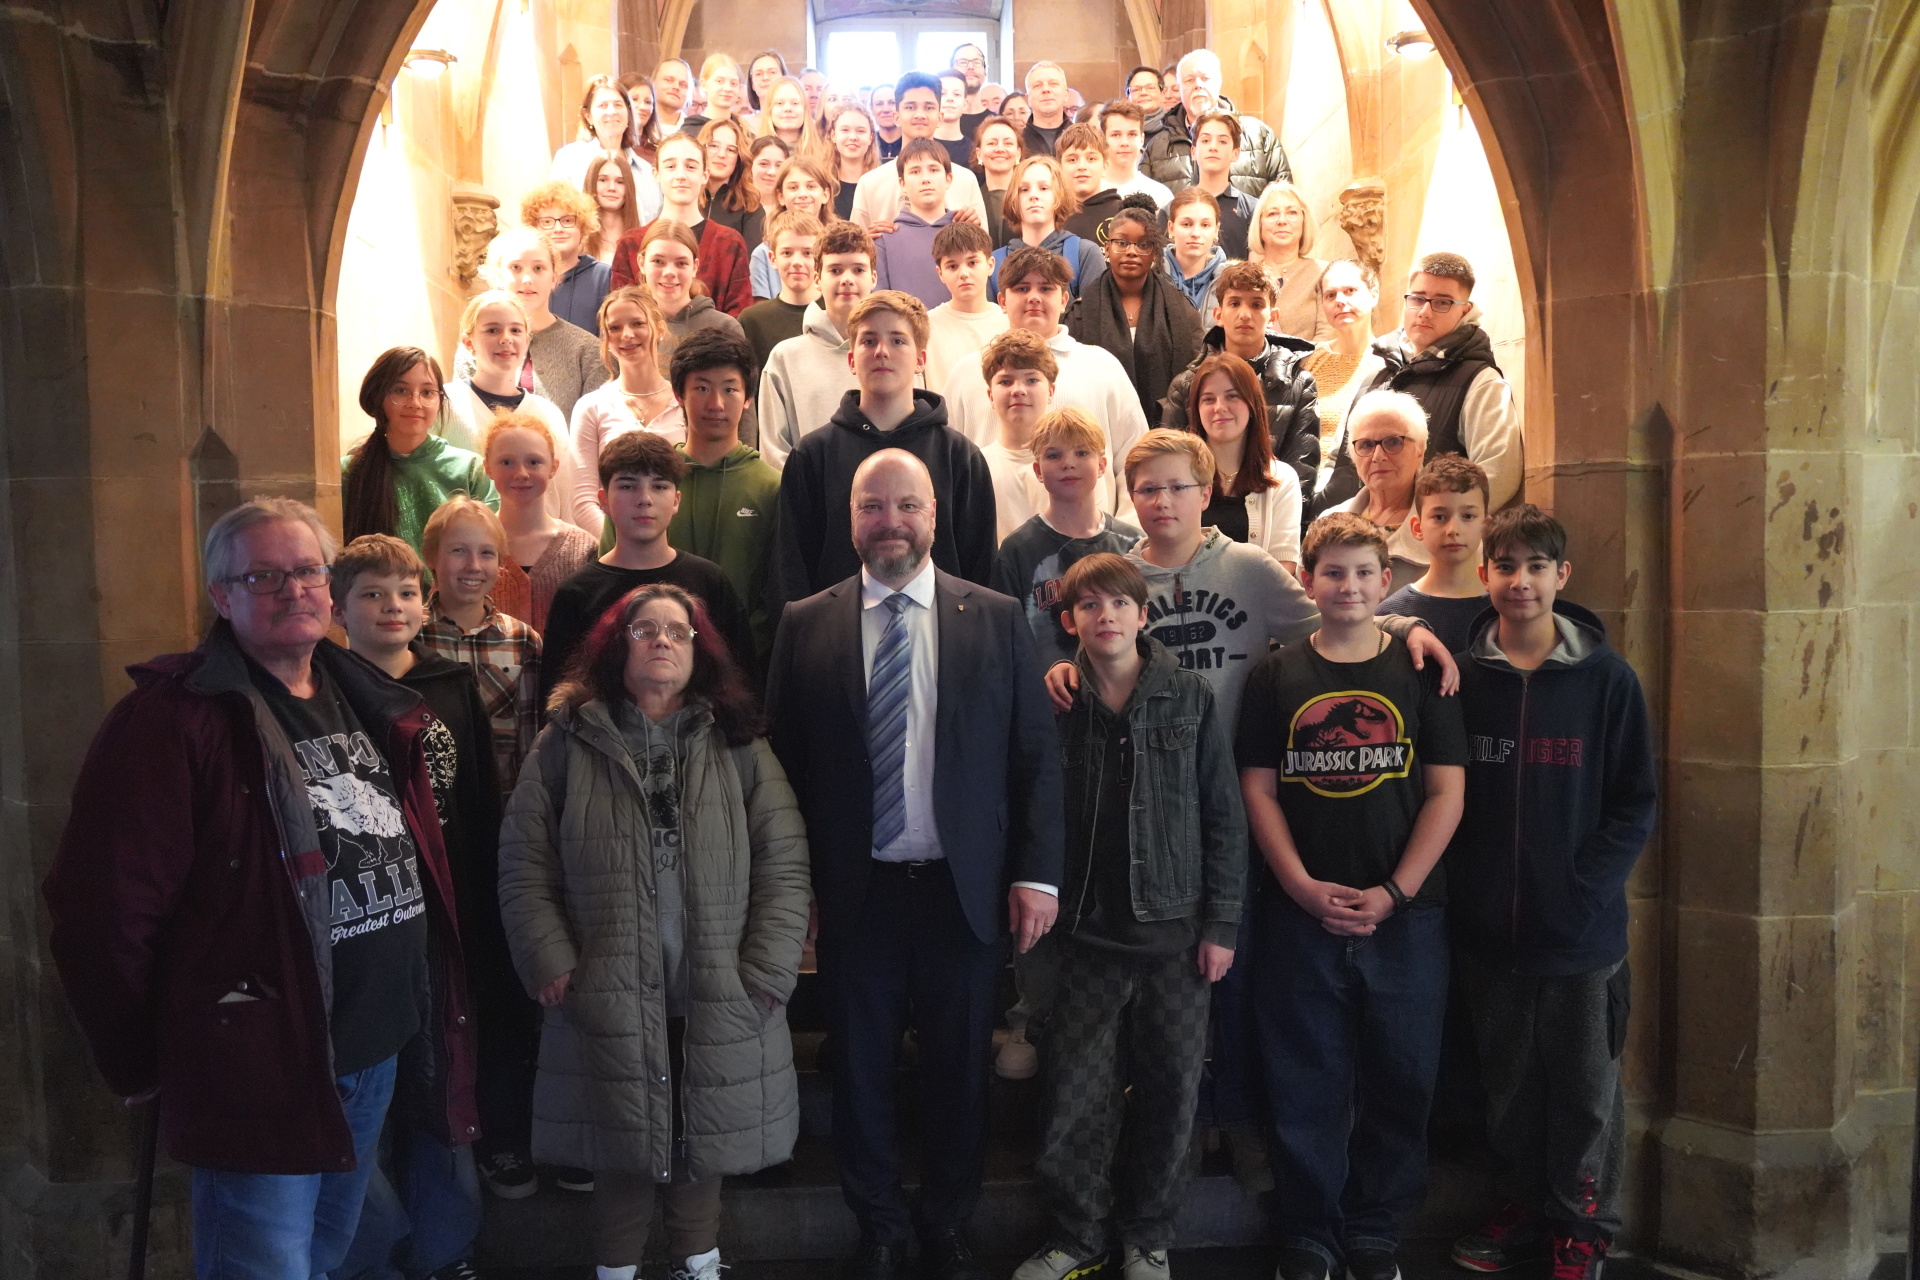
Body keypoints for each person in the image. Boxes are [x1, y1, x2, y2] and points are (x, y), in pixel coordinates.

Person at [43, 497, 477, 1279]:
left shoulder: (362, 694)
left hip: (371, 1042)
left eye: (308, 570)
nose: (295, 590)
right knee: (265, 1264)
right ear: (223, 597)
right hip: (262, 1058)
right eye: (264, 575)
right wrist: (139, 1056)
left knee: (325, 1254)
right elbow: (102, 910)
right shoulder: (176, 721)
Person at [765, 447, 1062, 1280]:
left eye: (906, 506)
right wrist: (797, 893)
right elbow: (781, 769)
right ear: (850, 520)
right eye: (872, 507)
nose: (889, 522)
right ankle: (881, 1226)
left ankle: (946, 1224)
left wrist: (1036, 877)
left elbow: (1034, 758)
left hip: (962, 893)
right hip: (857, 893)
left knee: (959, 1071)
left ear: (935, 516)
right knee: (859, 1069)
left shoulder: (998, 617)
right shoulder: (805, 622)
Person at [499, 581, 810, 1280]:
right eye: (646, 630)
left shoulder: (739, 744)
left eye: (678, 631)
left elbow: (785, 863)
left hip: (717, 984)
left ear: (700, 651)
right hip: (606, 985)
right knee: (622, 1142)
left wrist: (766, 970)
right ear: (618, 645)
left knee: (702, 1135)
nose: (663, 642)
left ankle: (698, 1262)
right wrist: (550, 958)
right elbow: (524, 861)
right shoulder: (568, 740)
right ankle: (616, 1270)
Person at [1236, 512, 1469, 1280]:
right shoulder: (1276, 675)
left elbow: (1447, 793)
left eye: (1365, 572)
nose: (1349, 586)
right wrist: (1298, 884)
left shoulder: (1419, 669)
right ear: (1308, 581)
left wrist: (1397, 891)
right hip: (1301, 914)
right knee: (1306, 1078)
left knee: (1402, 1076)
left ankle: (1375, 1229)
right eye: (1333, 572)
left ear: (1387, 581)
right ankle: (1309, 1231)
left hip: (1408, 915)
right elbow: (1258, 789)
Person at [1012, 552, 1245, 1280]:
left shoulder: (1189, 696)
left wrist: (1222, 926)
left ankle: (1148, 1234)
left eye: (1119, 603)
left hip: (1176, 938)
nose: (1105, 615)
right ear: (1069, 619)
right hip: (1084, 936)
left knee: (1173, 1095)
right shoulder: (1055, 701)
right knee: (1073, 1099)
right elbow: (1029, 808)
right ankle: (1078, 1235)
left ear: (1143, 616)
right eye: (1090, 605)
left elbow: (1223, 818)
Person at [1444, 506, 1657, 1280]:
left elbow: (1636, 801)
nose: (1521, 582)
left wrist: (1582, 889)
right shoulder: (1461, 676)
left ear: (1561, 578)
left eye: (1537, 567)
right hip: (1488, 928)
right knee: (1506, 1086)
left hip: (1579, 933)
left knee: (1583, 1089)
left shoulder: (1606, 681)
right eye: (1506, 566)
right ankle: (1522, 1207)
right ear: (1485, 575)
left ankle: (1582, 1224)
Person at [327, 534, 501, 1269]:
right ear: (338, 609)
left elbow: (480, 802)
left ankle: (447, 1244)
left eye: (404, 592)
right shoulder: (324, 693)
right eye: (371, 593)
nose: (391, 606)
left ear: (424, 600)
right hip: (364, 917)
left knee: (444, 1081)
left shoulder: (450, 686)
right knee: (367, 1092)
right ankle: (379, 1250)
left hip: (447, 909)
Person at [769, 291, 995, 611]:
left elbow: (980, 573)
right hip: (838, 644)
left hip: (942, 645)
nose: (882, 352)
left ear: (920, 359)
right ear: (851, 359)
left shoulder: (960, 457)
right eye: (869, 341)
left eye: (898, 340)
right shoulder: (812, 456)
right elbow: (790, 571)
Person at [541, 428, 754, 704]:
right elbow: (554, 699)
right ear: (603, 500)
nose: (644, 499)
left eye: (659, 486)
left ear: (676, 500)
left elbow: (743, 685)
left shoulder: (710, 582)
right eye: (627, 486)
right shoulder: (577, 592)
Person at [1317, 251, 1522, 514]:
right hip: (1356, 540)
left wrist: (1427, 529)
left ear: (1465, 310)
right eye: (1417, 299)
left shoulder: (1480, 382)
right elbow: (1337, 460)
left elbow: (1497, 474)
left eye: (1442, 302)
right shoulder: (1376, 376)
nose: (1425, 312)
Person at [945, 247, 1147, 499]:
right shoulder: (967, 372)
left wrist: (1126, 532)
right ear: (1002, 301)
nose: (1033, 297)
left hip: (1094, 533)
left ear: (1063, 300)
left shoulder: (1103, 366)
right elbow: (950, 466)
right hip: (994, 530)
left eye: (1045, 288)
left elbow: (1137, 459)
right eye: (1021, 288)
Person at [666, 327, 782, 668]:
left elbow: (776, 591)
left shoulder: (770, 487)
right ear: (679, 394)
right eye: (701, 388)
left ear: (748, 398)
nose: (715, 404)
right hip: (655, 661)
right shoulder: (652, 481)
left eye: (729, 389)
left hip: (746, 666)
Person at [989, 411, 1141, 663]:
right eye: (1054, 455)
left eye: (1081, 453)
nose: (1068, 463)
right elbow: (1003, 639)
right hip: (1047, 694)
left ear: (1102, 465)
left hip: (1124, 692)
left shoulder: (1132, 543)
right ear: (1038, 470)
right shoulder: (1017, 550)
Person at [419, 495, 545, 795]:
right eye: (458, 551)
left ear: (501, 563)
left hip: (503, 802)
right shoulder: (410, 637)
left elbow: (531, 739)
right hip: (429, 805)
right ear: (431, 557)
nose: (473, 565)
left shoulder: (523, 640)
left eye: (487, 553)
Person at [1161, 260, 1320, 491]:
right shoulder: (1186, 384)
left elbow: (1302, 473)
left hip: (1271, 511)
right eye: (1234, 303)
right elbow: (1170, 464)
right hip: (1201, 512)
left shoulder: (1299, 385)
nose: (1245, 314)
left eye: (1257, 305)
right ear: (1218, 314)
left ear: (1272, 316)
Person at [444, 290, 577, 532]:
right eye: (492, 330)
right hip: (466, 548)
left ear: (527, 340)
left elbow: (564, 498)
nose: (506, 338)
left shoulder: (549, 414)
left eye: (515, 330)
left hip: (540, 551)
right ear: (469, 343)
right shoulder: (445, 404)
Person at [1065, 196, 1204, 425]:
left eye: (1143, 244)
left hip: (1167, 430)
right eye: (1122, 243)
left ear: (1155, 253)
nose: (1131, 251)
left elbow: (1195, 375)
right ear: (1107, 248)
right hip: (1098, 428)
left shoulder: (1182, 311)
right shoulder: (1080, 313)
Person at [342, 346, 497, 550]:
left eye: (427, 392)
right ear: (378, 397)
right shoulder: (350, 471)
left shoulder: (471, 469)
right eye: (401, 390)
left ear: (440, 400)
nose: (415, 402)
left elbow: (492, 546)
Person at [569, 284, 689, 538]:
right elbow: (583, 500)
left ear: (659, 329)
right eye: (615, 327)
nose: (626, 334)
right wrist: (623, 547)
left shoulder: (685, 402)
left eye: (637, 324)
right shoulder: (591, 406)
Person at [758, 220, 878, 469]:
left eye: (858, 270)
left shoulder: (892, 354)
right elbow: (773, 452)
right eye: (835, 270)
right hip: (809, 501)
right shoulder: (785, 358)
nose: (846, 279)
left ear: (873, 277)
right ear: (817, 279)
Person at [1181, 353, 1305, 573]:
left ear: (1252, 405)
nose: (1219, 407)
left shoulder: (1282, 479)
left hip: (1257, 602)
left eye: (1232, 396)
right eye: (1208, 399)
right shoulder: (1180, 475)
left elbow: (1283, 567)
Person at [476, 226, 611, 423]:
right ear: (498, 275)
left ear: (554, 277)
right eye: (516, 268)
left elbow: (595, 429)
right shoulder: (475, 344)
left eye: (538, 268)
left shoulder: (587, 349)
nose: (528, 279)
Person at [610, 134, 754, 317]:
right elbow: (620, 315)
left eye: (691, 167)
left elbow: (738, 316)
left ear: (704, 175)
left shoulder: (729, 243)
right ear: (656, 174)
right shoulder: (631, 243)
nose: (681, 176)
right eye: (670, 166)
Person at [486, 411, 598, 633]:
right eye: (506, 462)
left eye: (534, 462)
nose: (521, 473)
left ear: (553, 467)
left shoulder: (584, 549)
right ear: (488, 467)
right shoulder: (470, 544)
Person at [1315, 389, 1436, 587]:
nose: (1378, 456)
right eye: (1366, 445)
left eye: (1393, 442)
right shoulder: (1327, 523)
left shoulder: (1449, 527)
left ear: (1420, 449)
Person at [1377, 455, 1491, 653]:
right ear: (1417, 527)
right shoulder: (1392, 614)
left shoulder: (1505, 609)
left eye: (1468, 516)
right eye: (1439, 517)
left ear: (1486, 525)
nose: (1453, 529)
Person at [1141, 48, 1290, 196]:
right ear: (1180, 88)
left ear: (1219, 82)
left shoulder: (1258, 135)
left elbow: (1283, 198)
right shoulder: (1157, 147)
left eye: (1205, 78)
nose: (1198, 85)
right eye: (1189, 80)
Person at [852, 73, 990, 231]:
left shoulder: (965, 180)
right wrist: (867, 241)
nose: (920, 115)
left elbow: (983, 246)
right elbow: (854, 248)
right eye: (910, 107)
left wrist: (974, 227)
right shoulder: (870, 183)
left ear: (939, 117)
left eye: (929, 107)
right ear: (896, 117)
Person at [633, 222, 754, 403]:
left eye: (681, 263)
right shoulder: (627, 326)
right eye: (658, 261)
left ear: (695, 267)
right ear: (641, 263)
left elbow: (741, 404)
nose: (669, 272)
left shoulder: (724, 327)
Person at [1302, 259, 1383, 490]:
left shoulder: (1389, 361)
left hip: (1363, 488)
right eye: (1330, 295)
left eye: (1350, 291)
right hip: (1308, 485)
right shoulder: (1310, 359)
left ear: (1373, 293)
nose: (1340, 301)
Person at [975, 332, 1061, 540]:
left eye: (1031, 380)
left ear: (1051, 392)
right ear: (990, 396)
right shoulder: (976, 467)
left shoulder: (1074, 462)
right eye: (1005, 382)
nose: (1018, 390)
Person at [989, 156, 1104, 299]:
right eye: (1024, 189)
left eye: (1044, 188)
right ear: (1013, 199)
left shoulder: (1085, 254)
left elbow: (1095, 317)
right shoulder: (995, 262)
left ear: (1059, 196)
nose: (1033, 195)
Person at [551, 74, 661, 223]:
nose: (612, 111)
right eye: (603, 105)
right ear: (588, 116)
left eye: (618, 105)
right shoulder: (569, 159)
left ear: (629, 114)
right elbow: (556, 214)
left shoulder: (647, 171)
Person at [925, 220, 1010, 391]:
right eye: (952, 266)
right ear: (940, 273)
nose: (964, 274)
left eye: (972, 263)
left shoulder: (1009, 322)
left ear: (990, 265)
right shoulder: (926, 326)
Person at [524, 180, 616, 335]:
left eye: (567, 220)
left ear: (583, 226)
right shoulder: (524, 278)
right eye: (547, 221)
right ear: (534, 228)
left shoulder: (603, 276)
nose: (558, 229)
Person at [874, 138, 958, 307]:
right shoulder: (885, 240)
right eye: (915, 172)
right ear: (902, 183)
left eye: (933, 169)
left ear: (948, 179)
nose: (925, 179)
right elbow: (880, 305)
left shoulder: (966, 234)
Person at [1244, 182, 1328, 342]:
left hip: (1312, 365)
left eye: (1292, 212)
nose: (1282, 220)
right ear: (1259, 224)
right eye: (1272, 214)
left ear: (1304, 221)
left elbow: (1327, 338)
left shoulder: (1324, 274)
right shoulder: (1244, 279)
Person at [739, 210, 824, 369]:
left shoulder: (838, 312)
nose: (797, 261)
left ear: (820, 258)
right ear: (773, 259)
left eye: (807, 253)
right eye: (787, 253)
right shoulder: (752, 321)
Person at [749, 155, 837, 299]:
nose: (802, 194)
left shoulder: (840, 248)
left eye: (811, 186)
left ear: (825, 194)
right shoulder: (763, 254)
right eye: (793, 187)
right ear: (780, 196)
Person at [1180, 113, 1259, 258]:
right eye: (1205, 140)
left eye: (1222, 141)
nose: (1213, 147)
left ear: (1235, 153)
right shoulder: (1176, 209)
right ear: (1193, 152)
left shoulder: (1253, 210)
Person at [705, 126, 773, 258]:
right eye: (714, 146)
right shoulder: (686, 198)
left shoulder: (751, 208)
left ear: (739, 158)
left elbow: (750, 266)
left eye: (731, 149)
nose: (721, 154)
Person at [1162, 188, 1227, 311]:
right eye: (1186, 224)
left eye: (1205, 225)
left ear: (1216, 230)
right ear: (1171, 228)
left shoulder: (1232, 281)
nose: (1196, 233)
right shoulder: (1151, 274)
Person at [1056, 123, 1124, 242]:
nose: (1082, 166)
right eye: (1072, 160)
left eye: (1091, 159)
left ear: (1105, 166)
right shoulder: (1050, 216)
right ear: (1059, 167)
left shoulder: (1122, 214)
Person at [1101, 99, 1173, 206]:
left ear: (1142, 139)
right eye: (1116, 135)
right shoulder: (1089, 191)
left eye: (1132, 134)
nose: (1124, 143)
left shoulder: (1161, 195)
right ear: (1102, 139)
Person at [583, 149, 644, 265]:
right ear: (591, 182)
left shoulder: (641, 240)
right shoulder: (578, 239)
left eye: (620, 182)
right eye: (603, 180)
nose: (612, 187)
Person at [973, 116, 1024, 247]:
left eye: (1008, 143)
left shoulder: (1031, 198)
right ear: (979, 154)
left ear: (1018, 153)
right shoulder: (971, 201)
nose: (1000, 149)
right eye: (992, 143)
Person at [827, 104, 882, 220]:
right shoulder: (822, 183)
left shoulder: (883, 183)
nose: (853, 137)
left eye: (860, 131)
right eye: (845, 130)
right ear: (833, 136)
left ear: (871, 138)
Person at [757, 73, 828, 159]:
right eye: (780, 103)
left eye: (795, 103)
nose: (788, 108)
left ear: (805, 109)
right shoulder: (755, 153)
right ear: (770, 110)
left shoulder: (824, 152)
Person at [680, 53, 744, 134]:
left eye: (733, 83)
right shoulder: (689, 132)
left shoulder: (744, 132)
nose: (728, 88)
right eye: (720, 81)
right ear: (704, 84)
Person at [1021, 61, 1072, 156]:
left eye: (1053, 84)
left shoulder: (1083, 139)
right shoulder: (1018, 142)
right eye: (1037, 85)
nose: (1045, 90)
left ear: (1066, 94)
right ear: (1028, 99)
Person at [618, 72, 663, 163]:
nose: (643, 107)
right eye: (634, 99)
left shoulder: (659, 153)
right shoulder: (611, 148)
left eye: (648, 102)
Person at [934, 69, 975, 168]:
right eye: (943, 94)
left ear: (965, 104)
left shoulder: (973, 151)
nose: (950, 99)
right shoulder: (919, 146)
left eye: (956, 94)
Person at [952, 43, 993, 136]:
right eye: (962, 62)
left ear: (985, 74)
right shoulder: (940, 121)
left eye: (977, 62)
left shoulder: (996, 123)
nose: (970, 67)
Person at [745, 49, 789, 120]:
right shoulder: (744, 125)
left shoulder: (799, 121)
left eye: (772, 72)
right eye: (758, 74)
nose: (765, 78)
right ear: (752, 84)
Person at [653, 57, 694, 134]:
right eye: (669, 80)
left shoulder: (696, 133)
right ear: (653, 83)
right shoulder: (637, 125)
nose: (676, 87)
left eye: (683, 84)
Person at [868, 82, 903, 159]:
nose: (886, 109)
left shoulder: (914, 144)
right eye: (879, 104)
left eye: (892, 103)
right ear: (871, 109)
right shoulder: (866, 144)